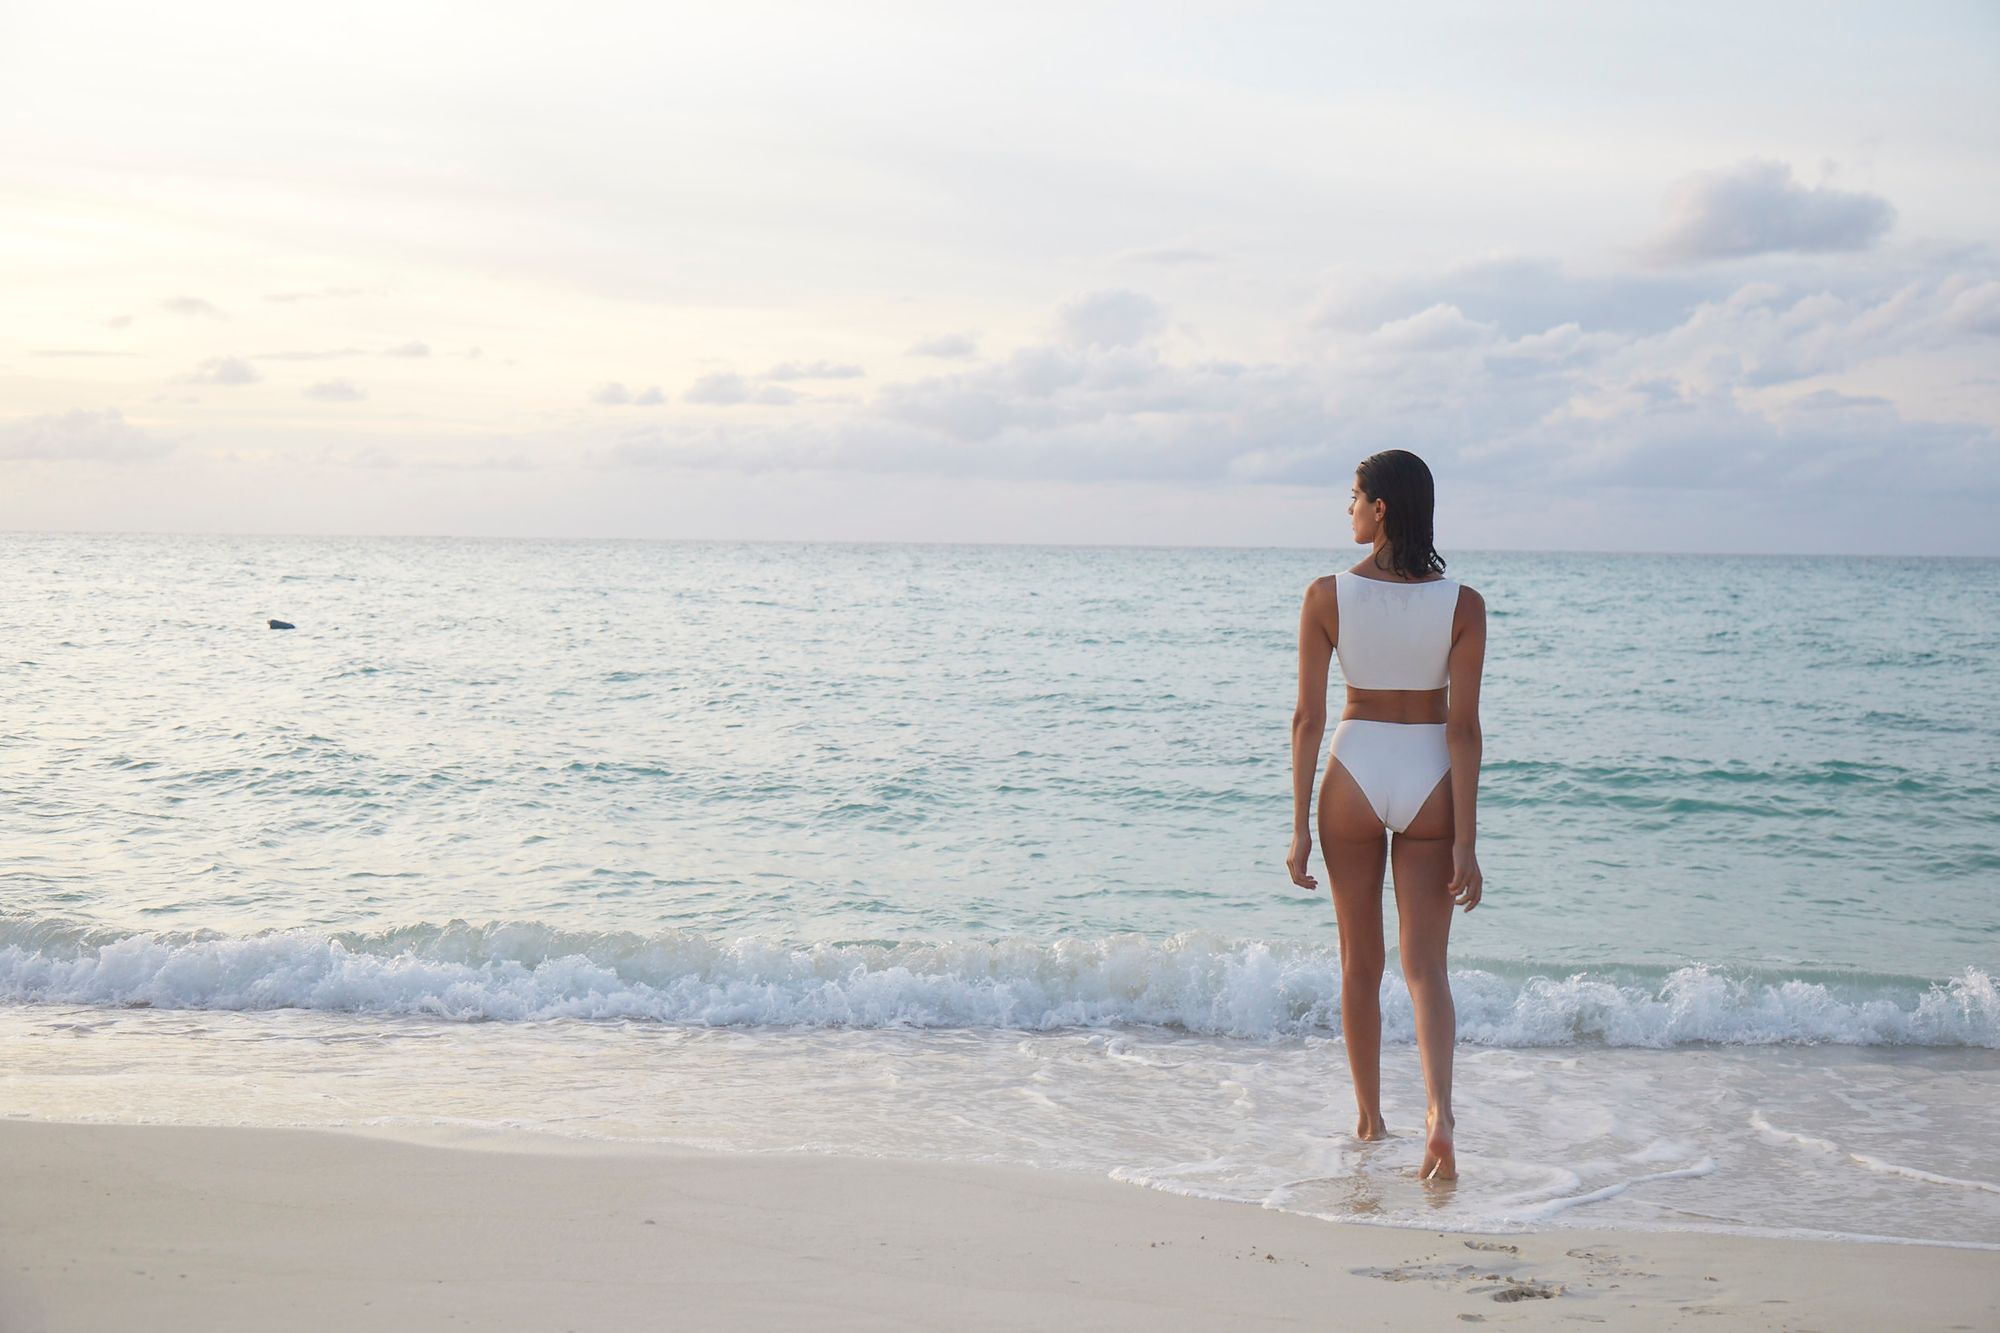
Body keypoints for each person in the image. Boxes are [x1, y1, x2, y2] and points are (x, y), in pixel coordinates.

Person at [1285, 448, 1485, 1183]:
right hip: (1430, 769)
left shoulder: (1325, 595)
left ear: (1382, 510)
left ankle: (1369, 1119)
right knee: (1426, 967)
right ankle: (1440, 1115)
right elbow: (1464, 728)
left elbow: (1308, 716)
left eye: (1354, 497)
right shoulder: (1463, 604)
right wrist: (1466, 839)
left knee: (1358, 963)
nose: (1348, 509)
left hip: (1356, 768)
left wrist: (1301, 824)